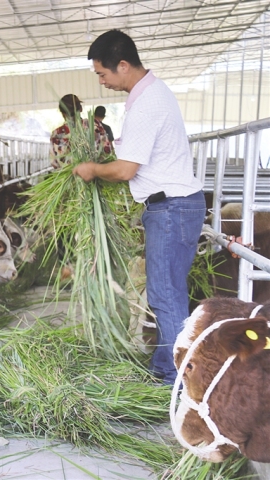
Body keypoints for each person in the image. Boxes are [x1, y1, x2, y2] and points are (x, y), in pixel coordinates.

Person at [73, 29, 205, 386]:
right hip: (176, 206)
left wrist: (92, 170)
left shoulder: (147, 104)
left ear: (123, 65)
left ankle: (179, 380)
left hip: (171, 208)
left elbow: (126, 169)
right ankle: (166, 367)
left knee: (165, 296)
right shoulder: (150, 95)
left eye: (103, 74)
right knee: (171, 292)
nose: (102, 82)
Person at [50, 94, 112, 168]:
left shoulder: (57, 134)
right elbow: (107, 151)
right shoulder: (95, 125)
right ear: (81, 108)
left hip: (70, 178)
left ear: (63, 113)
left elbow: (54, 163)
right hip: (97, 175)